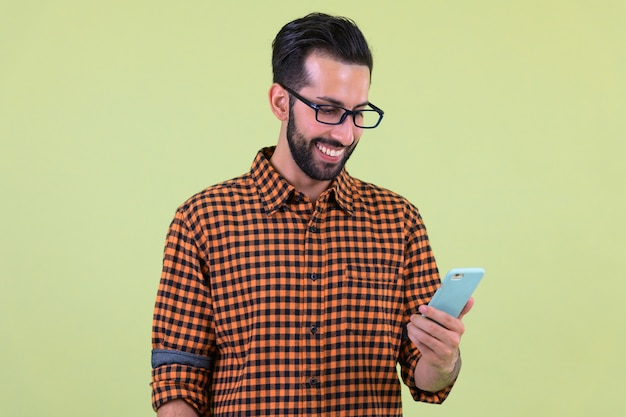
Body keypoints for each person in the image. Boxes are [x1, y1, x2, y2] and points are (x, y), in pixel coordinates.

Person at [150, 12, 474, 417]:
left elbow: (424, 379)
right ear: (280, 102)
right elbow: (178, 380)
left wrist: (442, 360)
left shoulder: (399, 222)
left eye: (358, 113)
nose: (344, 133)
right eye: (327, 109)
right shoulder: (203, 220)